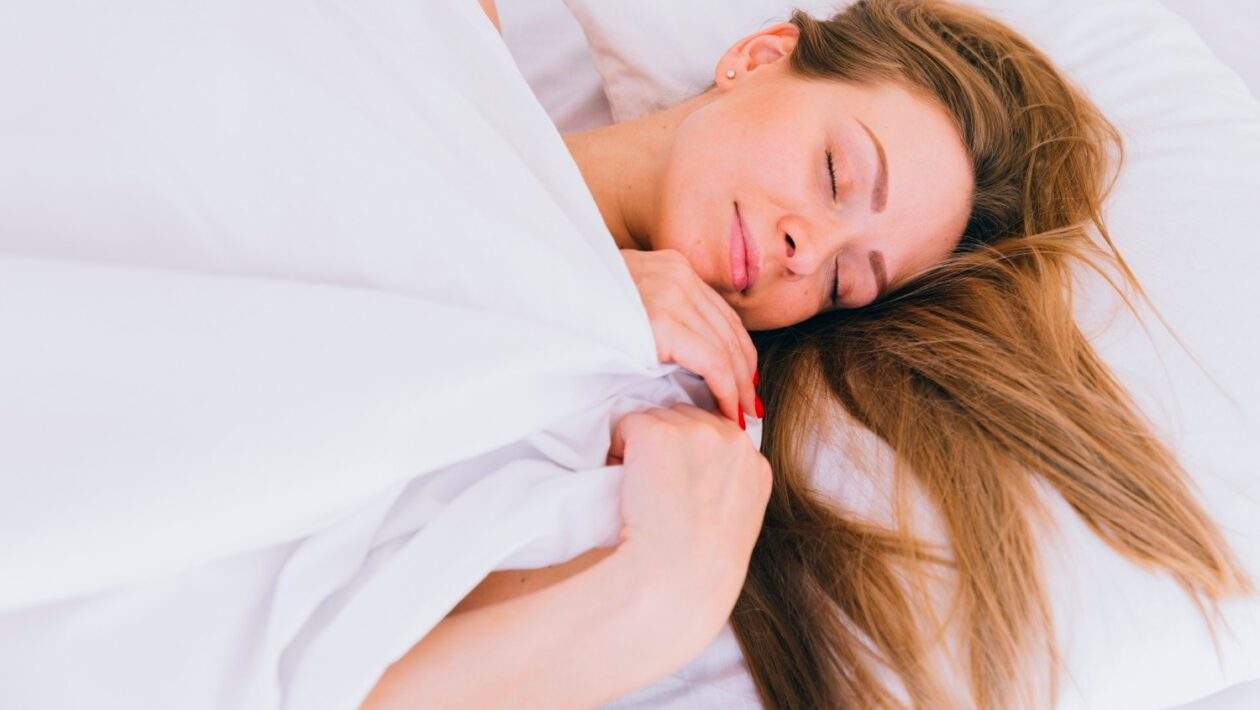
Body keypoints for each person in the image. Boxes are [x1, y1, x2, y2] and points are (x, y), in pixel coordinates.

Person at [364, 1, 1251, 708]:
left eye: (842, 282)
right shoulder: (433, 37)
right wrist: (541, 261)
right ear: (757, 57)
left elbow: (339, 664)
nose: (806, 248)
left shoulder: (645, 431)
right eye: (835, 173)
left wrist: (667, 593)